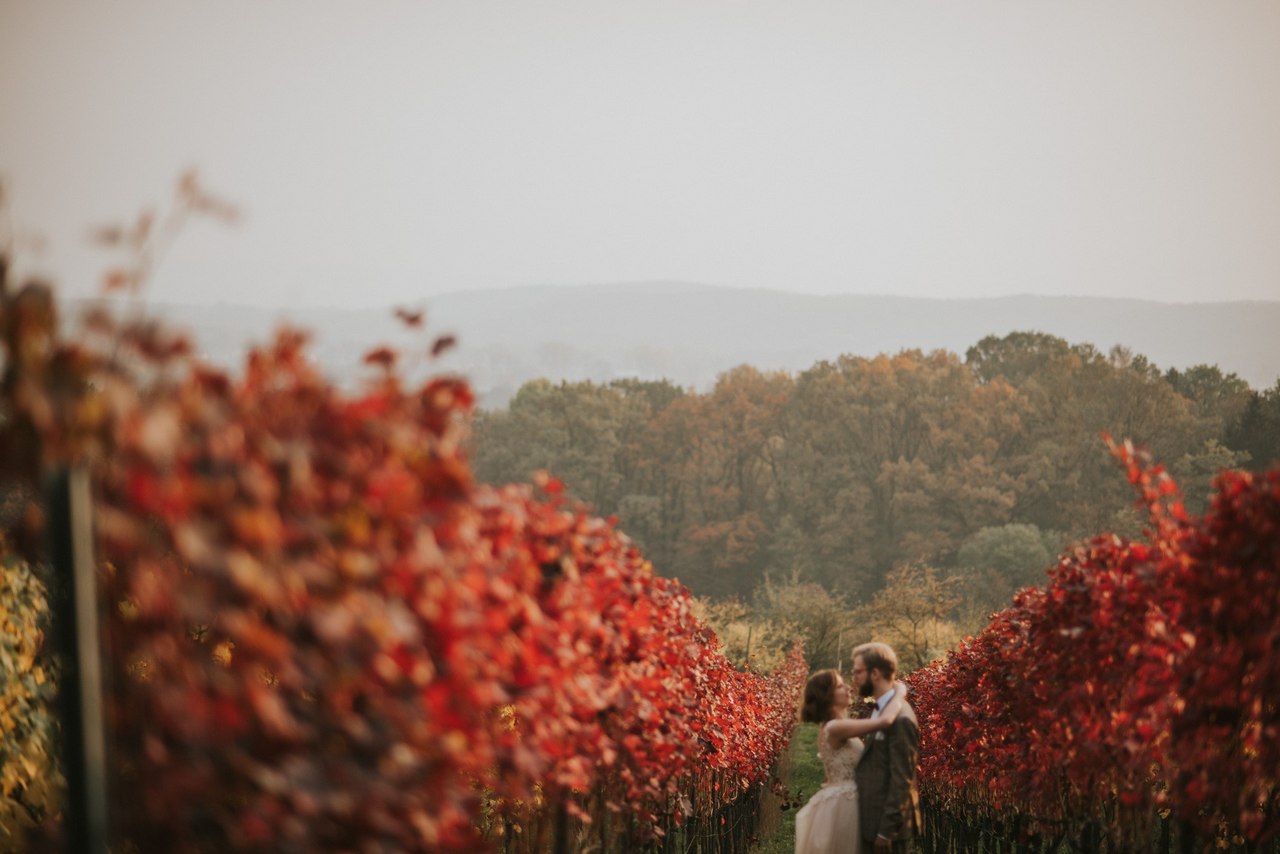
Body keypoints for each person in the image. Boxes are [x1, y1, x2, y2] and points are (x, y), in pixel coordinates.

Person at [794, 668, 909, 854]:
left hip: (849, 802)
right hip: (846, 806)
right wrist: (900, 692)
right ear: (827, 696)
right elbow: (886, 720)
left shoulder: (837, 726)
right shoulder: (834, 727)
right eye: (840, 685)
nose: (848, 688)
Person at [851, 642, 921, 853]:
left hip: (886, 830)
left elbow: (903, 779)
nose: (854, 677)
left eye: (858, 672)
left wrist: (885, 831)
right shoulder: (880, 708)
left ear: (875, 674)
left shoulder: (900, 720)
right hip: (872, 821)